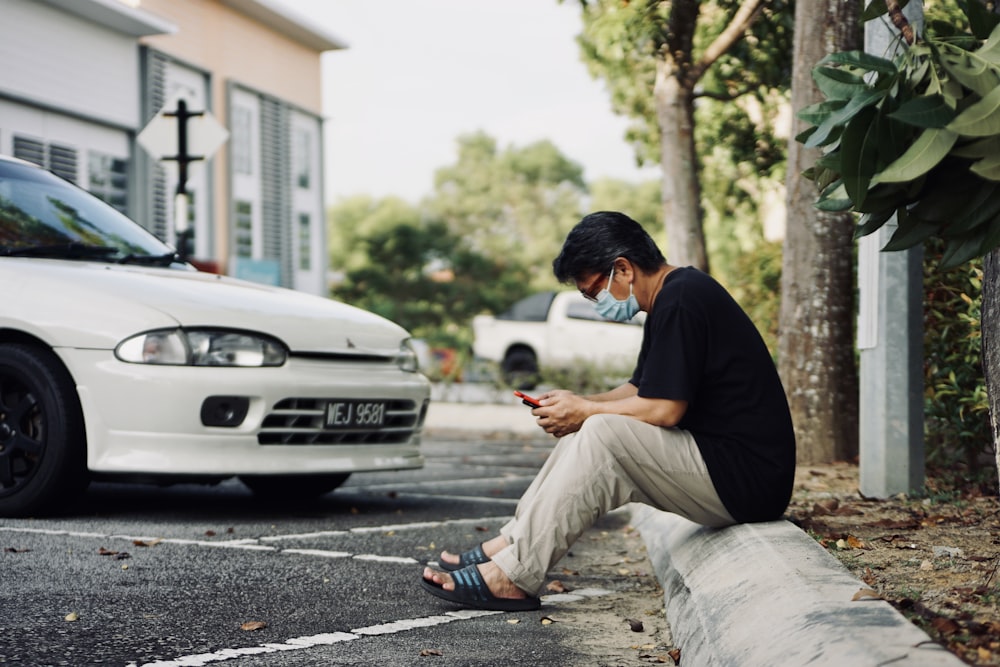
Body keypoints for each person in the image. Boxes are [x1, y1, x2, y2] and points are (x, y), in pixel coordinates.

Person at [421, 210, 796, 611]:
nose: (595, 302)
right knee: (591, 427)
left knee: (600, 431)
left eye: (591, 292)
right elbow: (640, 389)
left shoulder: (682, 300)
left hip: (747, 480)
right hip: (722, 465)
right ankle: (510, 546)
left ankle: (513, 575)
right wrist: (579, 404)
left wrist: (587, 411)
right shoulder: (672, 296)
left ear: (622, 269)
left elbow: (666, 409)